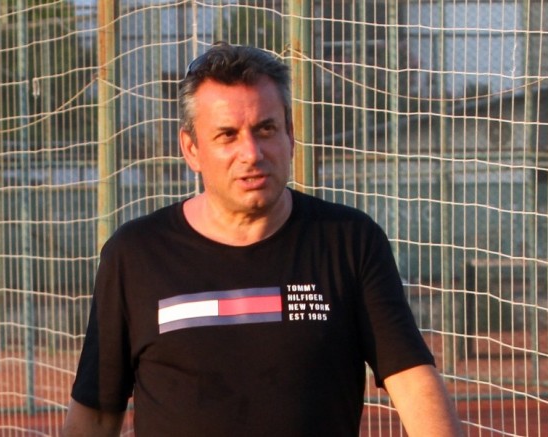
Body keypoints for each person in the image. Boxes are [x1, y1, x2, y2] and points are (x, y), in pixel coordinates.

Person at [61, 42, 463, 437]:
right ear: (191, 149)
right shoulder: (135, 254)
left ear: (290, 134)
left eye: (265, 129)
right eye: (227, 135)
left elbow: (413, 382)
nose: (251, 153)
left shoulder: (350, 241)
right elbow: (96, 417)